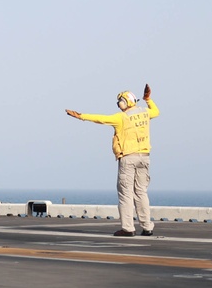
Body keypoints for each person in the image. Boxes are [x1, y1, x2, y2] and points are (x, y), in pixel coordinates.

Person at [66, 84, 159, 236]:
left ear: (126, 101)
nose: (119, 104)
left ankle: (128, 228)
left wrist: (81, 116)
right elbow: (156, 111)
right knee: (141, 192)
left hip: (128, 158)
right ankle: (147, 226)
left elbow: (101, 119)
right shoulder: (145, 113)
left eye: (120, 101)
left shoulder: (121, 117)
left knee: (125, 194)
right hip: (145, 158)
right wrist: (148, 99)